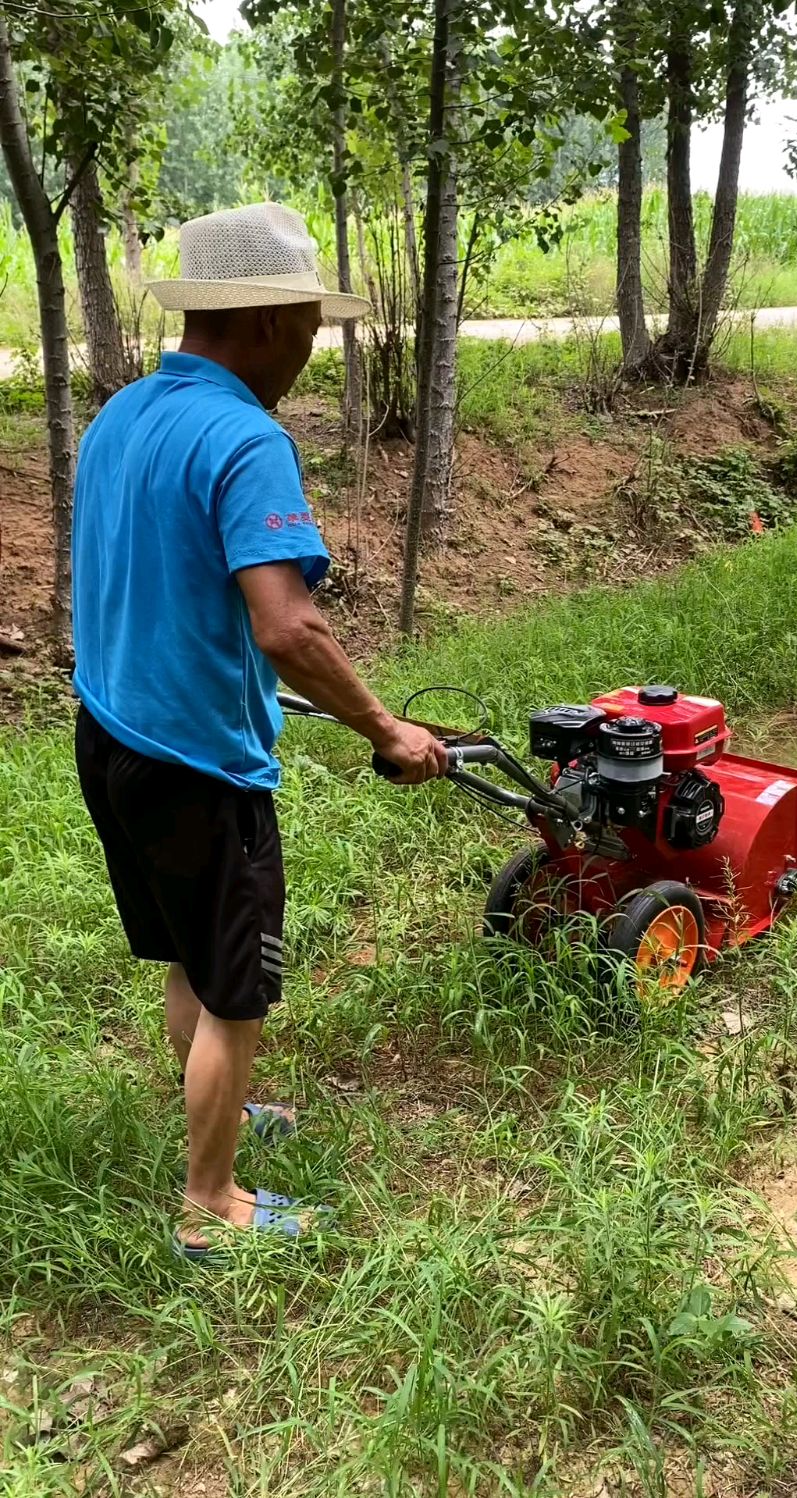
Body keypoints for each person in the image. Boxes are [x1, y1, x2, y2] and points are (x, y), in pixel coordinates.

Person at [71, 202, 446, 1258]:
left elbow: (141, 580)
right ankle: (213, 1206)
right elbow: (289, 624)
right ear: (273, 319)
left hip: (109, 736)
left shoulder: (122, 416)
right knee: (237, 990)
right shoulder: (245, 436)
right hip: (195, 763)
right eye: (312, 324)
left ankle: (220, 1119)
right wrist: (384, 727)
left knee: (189, 958)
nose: (314, 346)